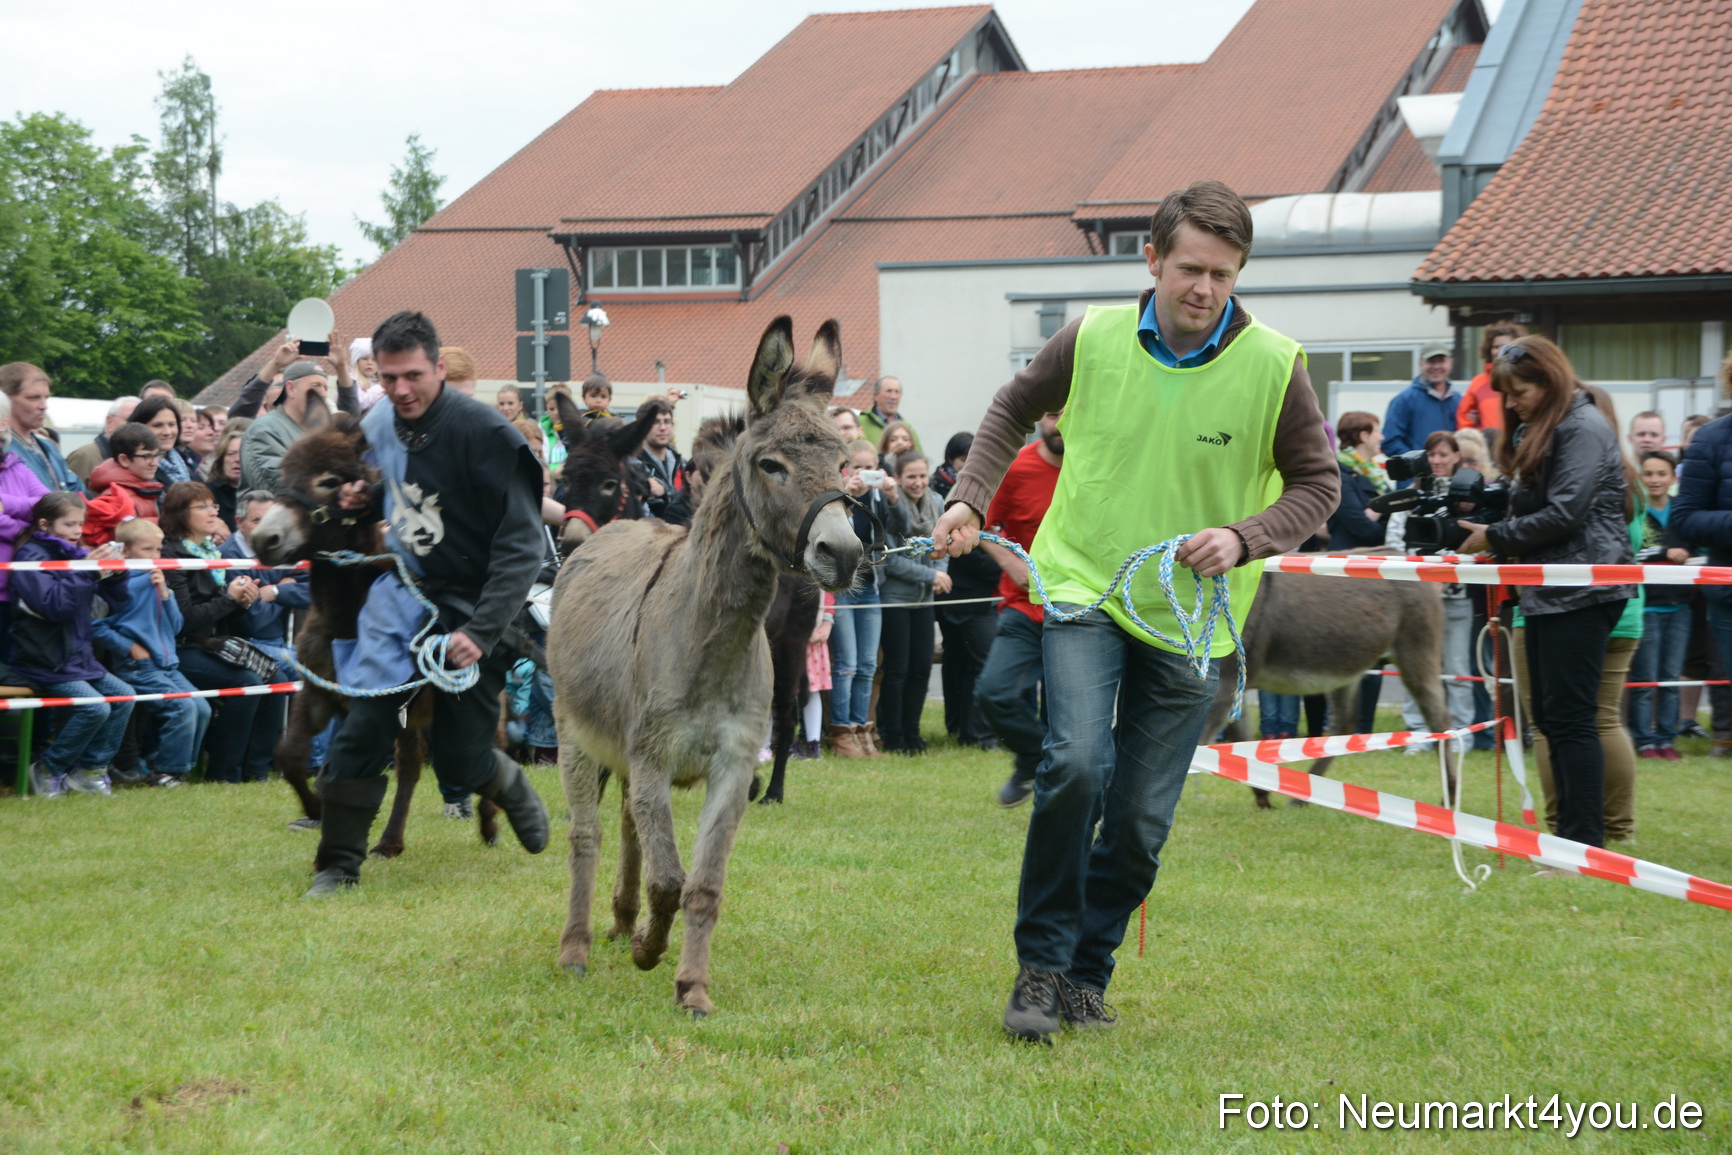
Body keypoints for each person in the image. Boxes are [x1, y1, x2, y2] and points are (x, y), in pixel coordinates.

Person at [930, 180, 1338, 1041]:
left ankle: (1087, 972)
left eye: (1224, 274)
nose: (1205, 289)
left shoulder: (1276, 365)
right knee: (1077, 762)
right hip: (1086, 587)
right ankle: (1040, 968)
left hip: (1194, 618)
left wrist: (1244, 535)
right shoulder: (1091, 337)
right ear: (1152, 259)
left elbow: (1318, 485)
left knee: (1142, 821)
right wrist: (970, 495)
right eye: (1191, 269)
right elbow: (1010, 408)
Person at [304, 309, 549, 896]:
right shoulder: (380, 421)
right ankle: (338, 865)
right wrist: (362, 496)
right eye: (388, 378)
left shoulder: (488, 435)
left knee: (461, 759)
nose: (400, 390)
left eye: (412, 375)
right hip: (402, 598)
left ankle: (510, 786)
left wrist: (482, 631)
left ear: (439, 367)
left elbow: (522, 546)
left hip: (474, 606)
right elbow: (385, 484)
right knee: (365, 725)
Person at [1456, 337, 1634, 852]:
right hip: (1548, 588)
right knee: (1553, 719)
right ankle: (1569, 837)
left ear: (1549, 382)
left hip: (1582, 590)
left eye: (1520, 392)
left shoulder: (1582, 427)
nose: (1512, 404)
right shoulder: (1553, 426)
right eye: (1506, 395)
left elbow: (1565, 513)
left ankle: (1583, 842)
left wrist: (1494, 536)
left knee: (1572, 719)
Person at [9, 492, 134, 797]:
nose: (78, 531)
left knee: (125, 696)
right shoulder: (30, 558)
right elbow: (55, 607)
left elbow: (120, 604)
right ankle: (48, 768)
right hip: (42, 659)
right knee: (94, 708)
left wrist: (116, 575)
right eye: (69, 524)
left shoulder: (77, 555)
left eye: (80, 524)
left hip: (77, 657)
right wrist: (88, 570)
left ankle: (90, 771)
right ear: (44, 524)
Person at [161, 480, 280, 783]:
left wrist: (243, 600)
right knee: (247, 682)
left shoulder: (210, 553)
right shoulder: (171, 555)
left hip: (211, 643)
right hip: (181, 647)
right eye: (202, 507)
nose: (213, 512)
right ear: (180, 513)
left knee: (277, 678)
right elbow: (185, 619)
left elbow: (222, 613)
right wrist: (230, 599)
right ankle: (225, 773)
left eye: (213, 505)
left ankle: (257, 770)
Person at [974, 411, 1063, 806]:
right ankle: (1031, 757)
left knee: (1065, 719)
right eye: (1053, 413)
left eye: (1068, 411)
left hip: (1081, 613)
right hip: (1024, 609)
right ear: (1041, 416)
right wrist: (1009, 561)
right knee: (993, 693)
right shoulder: (1018, 466)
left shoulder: (1097, 466)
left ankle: (1063, 792)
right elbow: (980, 524)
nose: (1060, 422)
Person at [92, 519, 210, 786]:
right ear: (125, 551)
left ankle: (177, 768)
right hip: (138, 667)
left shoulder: (158, 579)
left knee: (201, 707)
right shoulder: (118, 585)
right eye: (147, 549)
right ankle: (165, 772)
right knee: (181, 708)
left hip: (168, 663)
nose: (155, 556)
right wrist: (130, 648)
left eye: (158, 549)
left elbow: (176, 626)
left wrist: (165, 595)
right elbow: (96, 625)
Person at [1390, 431, 1474, 749]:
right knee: (1416, 666)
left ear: (1456, 457)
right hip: (1416, 598)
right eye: (1432, 455)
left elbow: (1470, 543)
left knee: (1458, 669)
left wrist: (1444, 576)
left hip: (1457, 597)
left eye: (1443, 454)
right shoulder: (1410, 495)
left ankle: (1460, 736)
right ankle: (1417, 735)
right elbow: (1396, 542)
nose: (1437, 461)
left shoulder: (1468, 494)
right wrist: (1421, 579)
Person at [828, 438, 898, 758]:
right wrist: (846, 495)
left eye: (871, 468)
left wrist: (893, 497)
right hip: (843, 587)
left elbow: (899, 530)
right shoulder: (836, 496)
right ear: (846, 468)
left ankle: (862, 730)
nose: (865, 474)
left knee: (868, 664)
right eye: (858, 467)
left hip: (871, 587)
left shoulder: (879, 497)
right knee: (847, 664)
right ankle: (841, 733)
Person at [877, 451, 950, 754]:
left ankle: (913, 732)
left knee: (921, 668)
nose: (918, 482)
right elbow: (891, 560)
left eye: (922, 476)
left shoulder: (937, 502)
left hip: (925, 600)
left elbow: (943, 547)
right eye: (911, 477)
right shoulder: (889, 504)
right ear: (898, 478)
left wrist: (940, 572)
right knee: (897, 670)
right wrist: (930, 575)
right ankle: (893, 735)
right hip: (896, 599)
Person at [1628, 450, 1690, 759]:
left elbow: (1696, 548)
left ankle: (1667, 738)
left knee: (1670, 677)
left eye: (1661, 474)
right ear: (1640, 477)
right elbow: (1632, 551)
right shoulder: (1635, 510)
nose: (1654, 480)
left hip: (1680, 606)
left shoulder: (1682, 511)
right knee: (1645, 678)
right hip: (1647, 606)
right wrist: (1666, 553)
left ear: (1673, 477)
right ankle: (1643, 739)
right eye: (1648, 474)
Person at [240, 351, 352, 495]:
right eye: (316, 386)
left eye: (325, 387)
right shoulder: (264, 429)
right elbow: (277, 485)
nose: (323, 394)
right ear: (291, 389)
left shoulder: (322, 431)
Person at [0, 391, 53, 635]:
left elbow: (51, 506)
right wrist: (29, 530)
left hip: (20, 592)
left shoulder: (16, 466)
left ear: (4, 423)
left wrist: (7, 504)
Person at [0, 362, 80, 493]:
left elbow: (77, 491)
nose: (44, 406)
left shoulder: (49, 446)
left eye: (46, 398)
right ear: (6, 400)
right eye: (33, 398)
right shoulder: (4, 452)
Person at [82, 422, 165, 546]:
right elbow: (121, 542)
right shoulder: (115, 497)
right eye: (147, 456)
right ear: (124, 460)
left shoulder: (144, 488)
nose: (154, 463)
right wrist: (166, 524)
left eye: (156, 455)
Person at [1382, 341, 1460, 457]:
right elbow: (1390, 442)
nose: (1436, 366)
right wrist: (1417, 464)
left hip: (1453, 469)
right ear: (1420, 364)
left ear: (1451, 363)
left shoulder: (1458, 400)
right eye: (1431, 361)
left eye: (1441, 361)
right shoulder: (1404, 400)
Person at [1327, 410, 1389, 549]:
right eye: (1377, 432)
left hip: (1372, 551)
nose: (1381, 437)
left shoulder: (1374, 473)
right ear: (1364, 436)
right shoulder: (1340, 475)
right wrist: (1391, 533)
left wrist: (1375, 511)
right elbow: (1362, 527)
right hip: (1348, 555)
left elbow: (1394, 506)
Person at [1455, 322, 1524, 441]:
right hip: (1487, 447)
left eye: (1504, 346)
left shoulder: (1523, 379)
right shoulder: (1478, 383)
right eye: (1495, 347)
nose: (1499, 351)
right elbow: (1464, 421)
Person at [66, 396, 140, 486]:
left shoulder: (144, 460)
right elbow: (71, 492)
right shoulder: (84, 456)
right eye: (130, 420)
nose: (136, 426)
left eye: (141, 421)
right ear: (109, 422)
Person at [635, 397, 688, 523]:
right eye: (655, 422)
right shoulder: (634, 466)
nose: (663, 427)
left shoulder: (682, 464)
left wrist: (664, 494)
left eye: (667, 421)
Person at [129, 396, 197, 488]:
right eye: (158, 425)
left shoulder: (184, 465)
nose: (167, 432)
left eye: (171, 424)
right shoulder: (135, 469)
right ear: (139, 427)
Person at [204, 418, 251, 531]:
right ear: (222, 459)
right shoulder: (207, 492)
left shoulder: (262, 491)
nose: (237, 459)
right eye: (231, 454)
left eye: (242, 453)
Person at [859, 375, 921, 450]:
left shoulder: (907, 428)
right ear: (875, 396)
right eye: (889, 391)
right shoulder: (860, 423)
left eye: (897, 392)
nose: (893, 397)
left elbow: (918, 455)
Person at [350, 337, 384, 412]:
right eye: (365, 358)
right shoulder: (352, 380)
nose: (369, 363)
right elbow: (360, 403)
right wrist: (379, 389)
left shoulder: (379, 381)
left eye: (374, 359)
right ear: (356, 361)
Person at [933, 432, 970, 500]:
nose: (967, 464)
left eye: (971, 460)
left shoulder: (975, 484)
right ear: (950, 458)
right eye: (963, 460)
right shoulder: (935, 484)